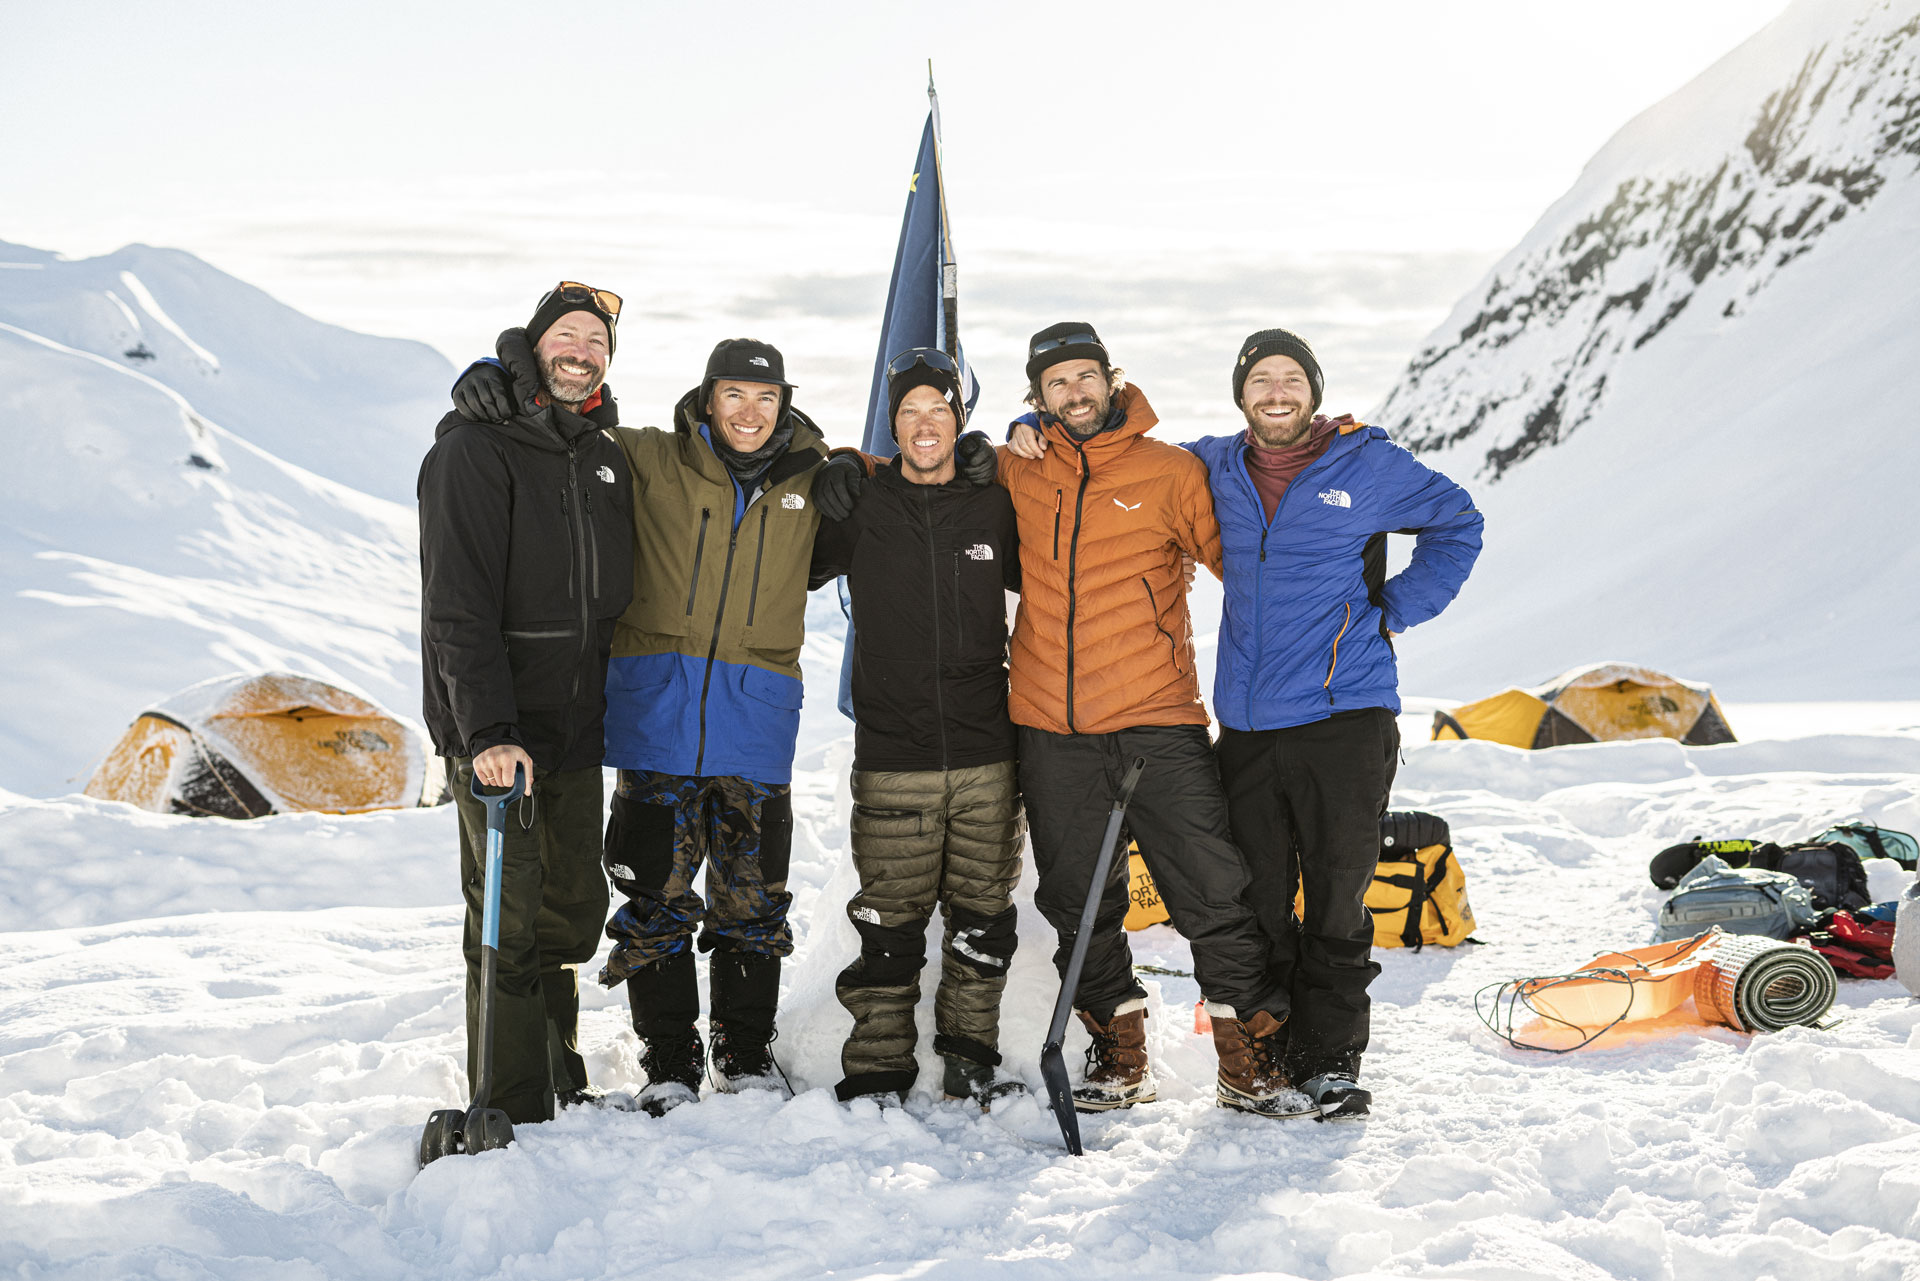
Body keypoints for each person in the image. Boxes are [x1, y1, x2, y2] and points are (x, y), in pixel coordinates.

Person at [452, 336, 998, 1116]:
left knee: (753, 902)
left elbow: (917, 478)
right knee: (655, 901)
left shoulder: (814, 480)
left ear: (786, 403)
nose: (749, 411)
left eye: (766, 396)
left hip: (756, 724)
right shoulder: (647, 458)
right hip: (655, 721)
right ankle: (669, 1062)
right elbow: (565, 432)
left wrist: (898, 459)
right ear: (707, 398)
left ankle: (742, 1055)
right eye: (734, 394)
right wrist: (500, 384)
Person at [993, 323, 1301, 1118]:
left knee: (1211, 888)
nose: (1074, 393)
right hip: (1053, 727)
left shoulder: (1170, 472)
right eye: (1056, 385)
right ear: (1037, 398)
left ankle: (1246, 1054)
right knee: (1076, 900)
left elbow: (1250, 566)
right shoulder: (1017, 470)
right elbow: (925, 470)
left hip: (1157, 718)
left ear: (1110, 378)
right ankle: (1119, 1051)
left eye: (1085, 377)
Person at [1188, 328, 1482, 1119]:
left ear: (1313, 390)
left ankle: (1330, 1062)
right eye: (1260, 379)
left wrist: (1396, 608)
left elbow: (1459, 523)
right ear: (1240, 393)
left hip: (1344, 718)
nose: (1275, 392)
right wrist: (1034, 430)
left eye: (1291, 378)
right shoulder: (1213, 465)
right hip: (1248, 727)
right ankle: (1274, 1048)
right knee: (1255, 898)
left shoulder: (1367, 465)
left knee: (1336, 899)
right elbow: (1123, 464)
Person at [418, 282, 633, 1124]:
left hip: (576, 730)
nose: (582, 351)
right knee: (505, 921)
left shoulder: (602, 451)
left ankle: (556, 1067)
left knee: (569, 915)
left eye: (598, 341)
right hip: (501, 737)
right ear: (536, 344)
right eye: (567, 336)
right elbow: (456, 604)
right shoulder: (477, 448)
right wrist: (487, 730)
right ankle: (507, 1100)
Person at [808, 349, 1024, 1108]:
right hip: (893, 755)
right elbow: (793, 537)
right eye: (910, 411)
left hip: (987, 752)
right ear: (892, 424)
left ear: (959, 420)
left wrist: (1007, 449)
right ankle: (875, 1071)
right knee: (888, 929)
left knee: (982, 923)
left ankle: (968, 1058)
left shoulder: (992, 504)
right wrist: (832, 461)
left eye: (939, 410)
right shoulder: (864, 502)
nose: (925, 424)